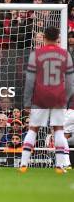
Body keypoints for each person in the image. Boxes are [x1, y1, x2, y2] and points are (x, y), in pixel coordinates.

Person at [19, 26, 73, 174]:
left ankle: (23, 164)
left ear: (44, 38)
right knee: (58, 130)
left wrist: (27, 101)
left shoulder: (36, 54)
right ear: (58, 38)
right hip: (58, 96)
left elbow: (29, 80)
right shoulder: (65, 54)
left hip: (40, 96)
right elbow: (70, 81)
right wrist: (65, 98)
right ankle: (60, 166)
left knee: (33, 129)